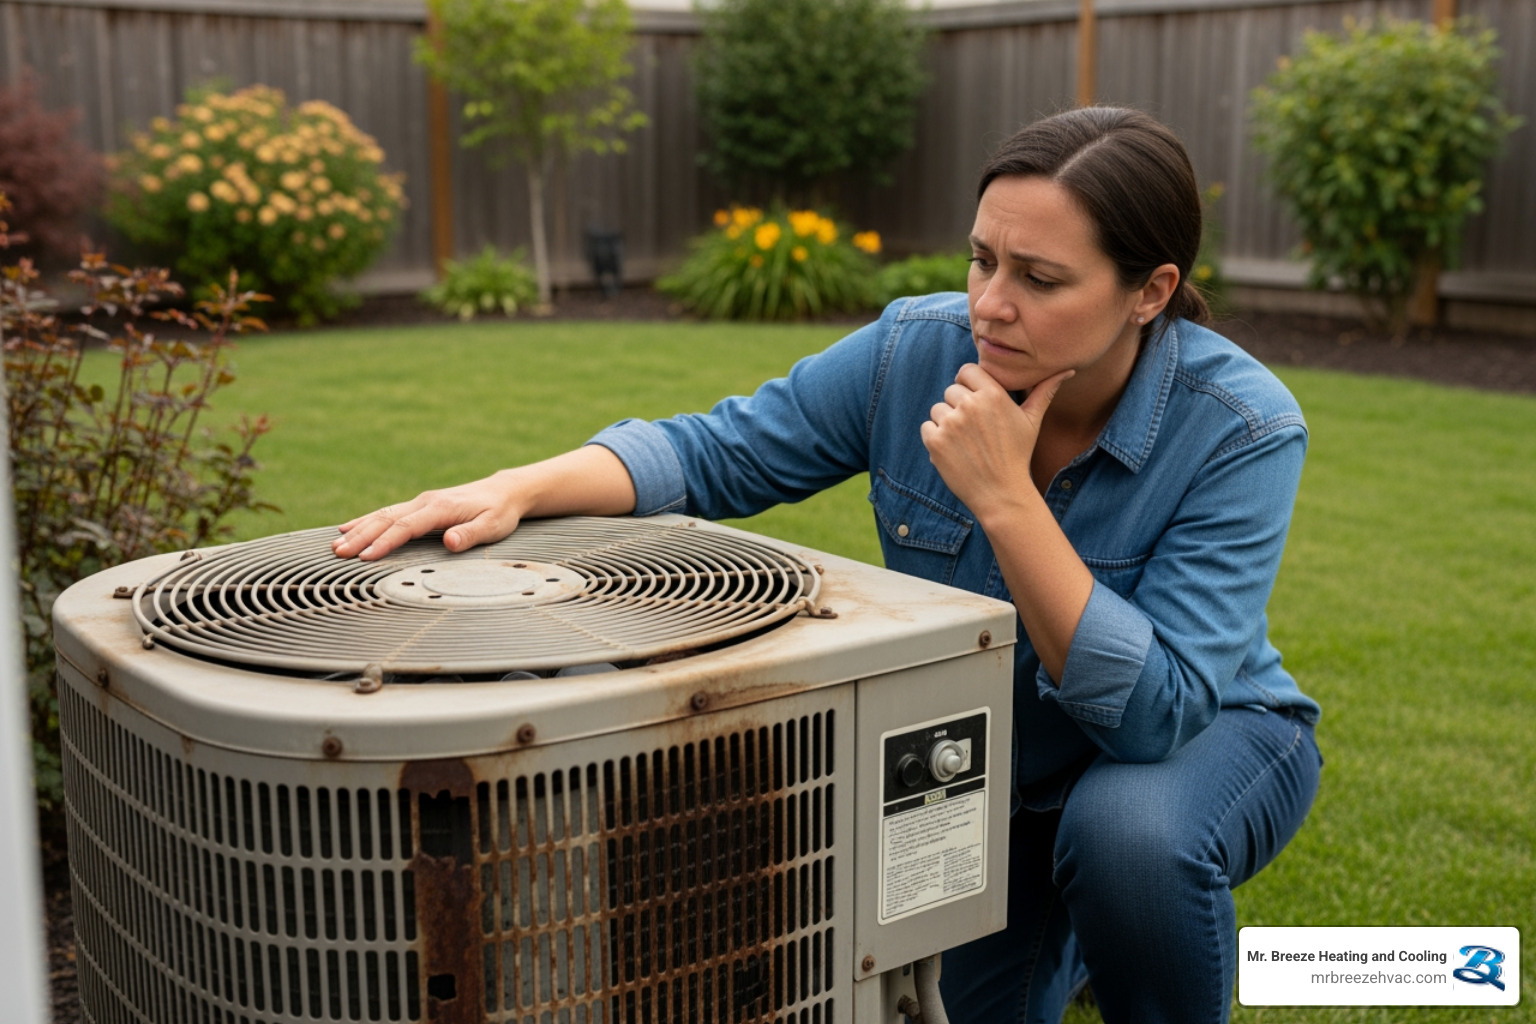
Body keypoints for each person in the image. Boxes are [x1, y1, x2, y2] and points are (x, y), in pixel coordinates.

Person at [333, 106, 1322, 1024]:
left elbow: (1155, 713)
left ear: (1149, 291)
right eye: (982, 259)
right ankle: (1070, 939)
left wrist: (1008, 500)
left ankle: (1118, 935)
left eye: (1041, 279)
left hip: (1205, 738)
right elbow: (718, 452)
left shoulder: (1244, 425)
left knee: (1127, 839)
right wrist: (520, 485)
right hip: (988, 764)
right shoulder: (912, 350)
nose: (991, 305)